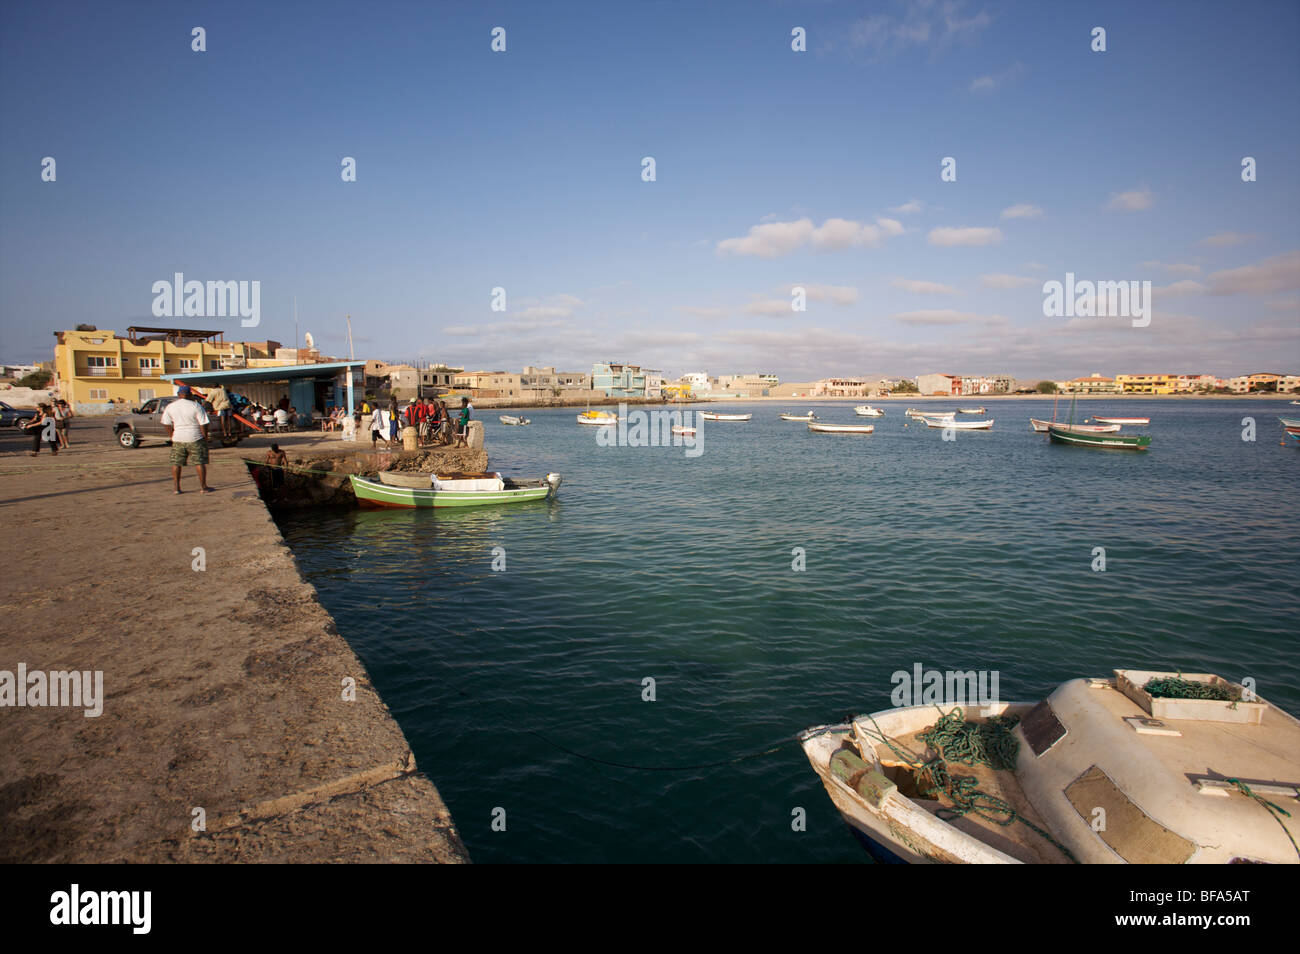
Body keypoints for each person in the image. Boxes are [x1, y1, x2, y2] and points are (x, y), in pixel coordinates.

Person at [161, 386, 213, 494]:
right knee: (199, 463)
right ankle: (203, 487)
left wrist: (172, 436)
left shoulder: (171, 407)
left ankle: (176, 488)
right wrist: (205, 437)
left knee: (176, 463)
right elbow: (204, 423)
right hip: (195, 437)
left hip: (178, 438)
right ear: (189, 395)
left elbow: (166, 423)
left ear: (179, 394)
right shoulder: (196, 406)